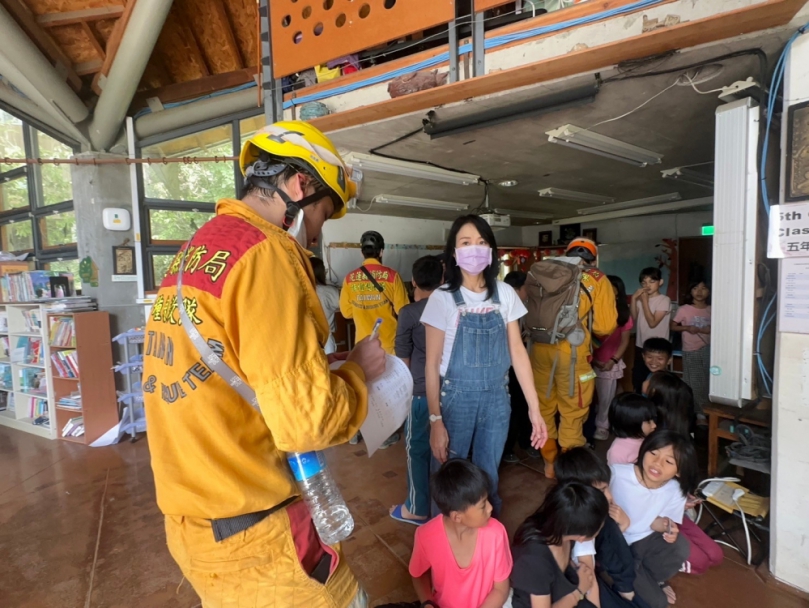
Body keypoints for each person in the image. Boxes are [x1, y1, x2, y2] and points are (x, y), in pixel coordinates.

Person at [143, 120, 386, 608]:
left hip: (195, 523)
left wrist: (320, 368)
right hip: (256, 532)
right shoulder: (268, 253)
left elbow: (231, 366)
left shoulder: (195, 250)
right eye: (320, 215)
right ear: (300, 186)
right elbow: (307, 422)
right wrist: (358, 371)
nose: (315, 233)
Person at [422, 215, 546, 516]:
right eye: (465, 243)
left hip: (496, 398)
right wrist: (436, 420)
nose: (473, 249)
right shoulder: (442, 298)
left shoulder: (503, 293)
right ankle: (446, 544)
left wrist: (534, 408)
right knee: (450, 474)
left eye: (481, 242)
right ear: (454, 252)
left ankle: (486, 543)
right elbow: (431, 364)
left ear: (491, 250)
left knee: (489, 471)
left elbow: (517, 351)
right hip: (455, 399)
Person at [530, 237, 618, 478]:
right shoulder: (598, 279)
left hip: (538, 348)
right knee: (573, 409)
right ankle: (570, 470)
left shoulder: (541, 271)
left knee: (543, 407)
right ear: (593, 257)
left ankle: (549, 462)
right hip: (573, 352)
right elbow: (605, 325)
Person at [609, 431, 697, 608]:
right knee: (658, 603)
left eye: (669, 461)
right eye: (654, 453)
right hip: (616, 541)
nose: (657, 463)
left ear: (679, 471)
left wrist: (667, 527)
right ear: (643, 450)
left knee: (680, 546)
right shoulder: (616, 474)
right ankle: (625, 577)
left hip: (643, 540)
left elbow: (655, 522)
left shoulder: (675, 490)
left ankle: (648, 578)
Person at [554, 448, 651, 608]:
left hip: (587, 576)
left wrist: (624, 525)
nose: (610, 496)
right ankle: (625, 590)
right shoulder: (581, 525)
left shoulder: (585, 513)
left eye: (607, 488)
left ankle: (625, 589)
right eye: (601, 491)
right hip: (578, 586)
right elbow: (589, 579)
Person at [409, 459, 512, 608]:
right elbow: (417, 574)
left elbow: (500, 589)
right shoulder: (426, 535)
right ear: (457, 517)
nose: (490, 508)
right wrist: (427, 602)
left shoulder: (496, 533)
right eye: (483, 506)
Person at [391, 255, 444, 526]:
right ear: (442, 281)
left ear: (413, 281)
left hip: (421, 391)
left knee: (417, 448)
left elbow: (403, 360)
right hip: (450, 390)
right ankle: (445, 507)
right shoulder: (451, 309)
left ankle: (417, 507)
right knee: (446, 449)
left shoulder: (409, 313)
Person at [511, 482, 606, 608]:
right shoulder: (534, 561)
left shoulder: (562, 526)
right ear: (582, 538)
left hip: (563, 592)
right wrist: (578, 591)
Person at [340, 230, 409, 355]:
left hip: (362, 344)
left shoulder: (349, 278)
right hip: (388, 343)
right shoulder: (392, 276)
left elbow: (346, 313)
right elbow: (403, 311)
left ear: (362, 253)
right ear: (381, 251)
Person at [592, 275, 634, 441]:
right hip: (590, 364)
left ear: (616, 291)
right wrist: (593, 359)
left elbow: (625, 341)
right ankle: (602, 420)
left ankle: (602, 426)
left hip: (608, 365)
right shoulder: (593, 308)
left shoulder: (623, 313)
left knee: (605, 397)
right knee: (589, 393)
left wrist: (613, 360)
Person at [502, 270, 535, 464]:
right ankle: (507, 449)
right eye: (526, 288)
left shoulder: (523, 306)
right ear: (517, 289)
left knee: (522, 405)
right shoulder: (505, 307)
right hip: (509, 365)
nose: (528, 292)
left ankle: (525, 442)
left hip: (520, 364)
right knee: (514, 407)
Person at [670, 280, 711, 426]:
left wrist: (709, 329)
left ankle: (709, 410)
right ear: (690, 291)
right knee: (694, 381)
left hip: (709, 350)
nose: (699, 291)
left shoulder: (712, 309)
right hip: (691, 349)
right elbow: (673, 326)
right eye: (695, 287)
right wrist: (687, 328)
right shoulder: (684, 309)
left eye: (704, 287)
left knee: (708, 380)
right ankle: (699, 413)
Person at [631, 268, 672, 393]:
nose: (647, 285)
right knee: (638, 379)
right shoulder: (639, 300)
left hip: (658, 348)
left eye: (651, 281)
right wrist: (633, 299)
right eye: (644, 282)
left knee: (657, 383)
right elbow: (634, 318)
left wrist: (644, 301)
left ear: (660, 282)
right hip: (641, 345)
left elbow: (652, 323)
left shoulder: (664, 300)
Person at [606, 393, 658, 466]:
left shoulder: (646, 436)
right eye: (649, 422)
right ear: (632, 423)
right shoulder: (618, 453)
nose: (654, 425)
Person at [645, 371, 693, 436]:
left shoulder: (654, 417)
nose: (646, 382)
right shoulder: (677, 416)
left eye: (649, 381)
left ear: (654, 390)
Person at [311, 256, 340, 355]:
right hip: (326, 338)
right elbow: (344, 307)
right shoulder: (329, 291)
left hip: (308, 338)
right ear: (321, 272)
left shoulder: (298, 291)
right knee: (330, 367)